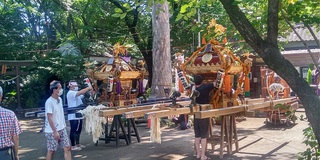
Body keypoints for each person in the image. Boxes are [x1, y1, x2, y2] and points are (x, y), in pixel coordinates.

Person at [44, 80, 72, 160]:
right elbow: (49, 117)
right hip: (52, 130)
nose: (61, 90)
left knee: (67, 147)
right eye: (59, 88)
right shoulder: (49, 102)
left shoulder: (59, 99)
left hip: (62, 128)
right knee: (51, 150)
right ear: (54, 90)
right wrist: (55, 131)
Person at [193, 75, 215, 160]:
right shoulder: (206, 87)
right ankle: (203, 156)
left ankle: (198, 154)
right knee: (204, 135)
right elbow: (216, 83)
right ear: (202, 82)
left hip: (196, 113)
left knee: (197, 135)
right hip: (204, 113)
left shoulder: (193, 89)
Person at [67, 80, 92, 151]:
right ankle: (73, 145)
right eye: (75, 86)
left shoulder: (75, 93)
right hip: (73, 115)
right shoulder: (71, 93)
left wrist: (89, 92)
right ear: (71, 86)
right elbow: (80, 92)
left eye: (77, 86)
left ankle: (77, 143)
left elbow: (82, 95)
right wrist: (88, 88)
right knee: (73, 130)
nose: (76, 87)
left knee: (79, 129)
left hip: (79, 114)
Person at [0, 86, 22, 160]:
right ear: (1, 97)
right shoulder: (10, 114)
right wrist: (16, 155)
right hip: (5, 154)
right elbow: (16, 138)